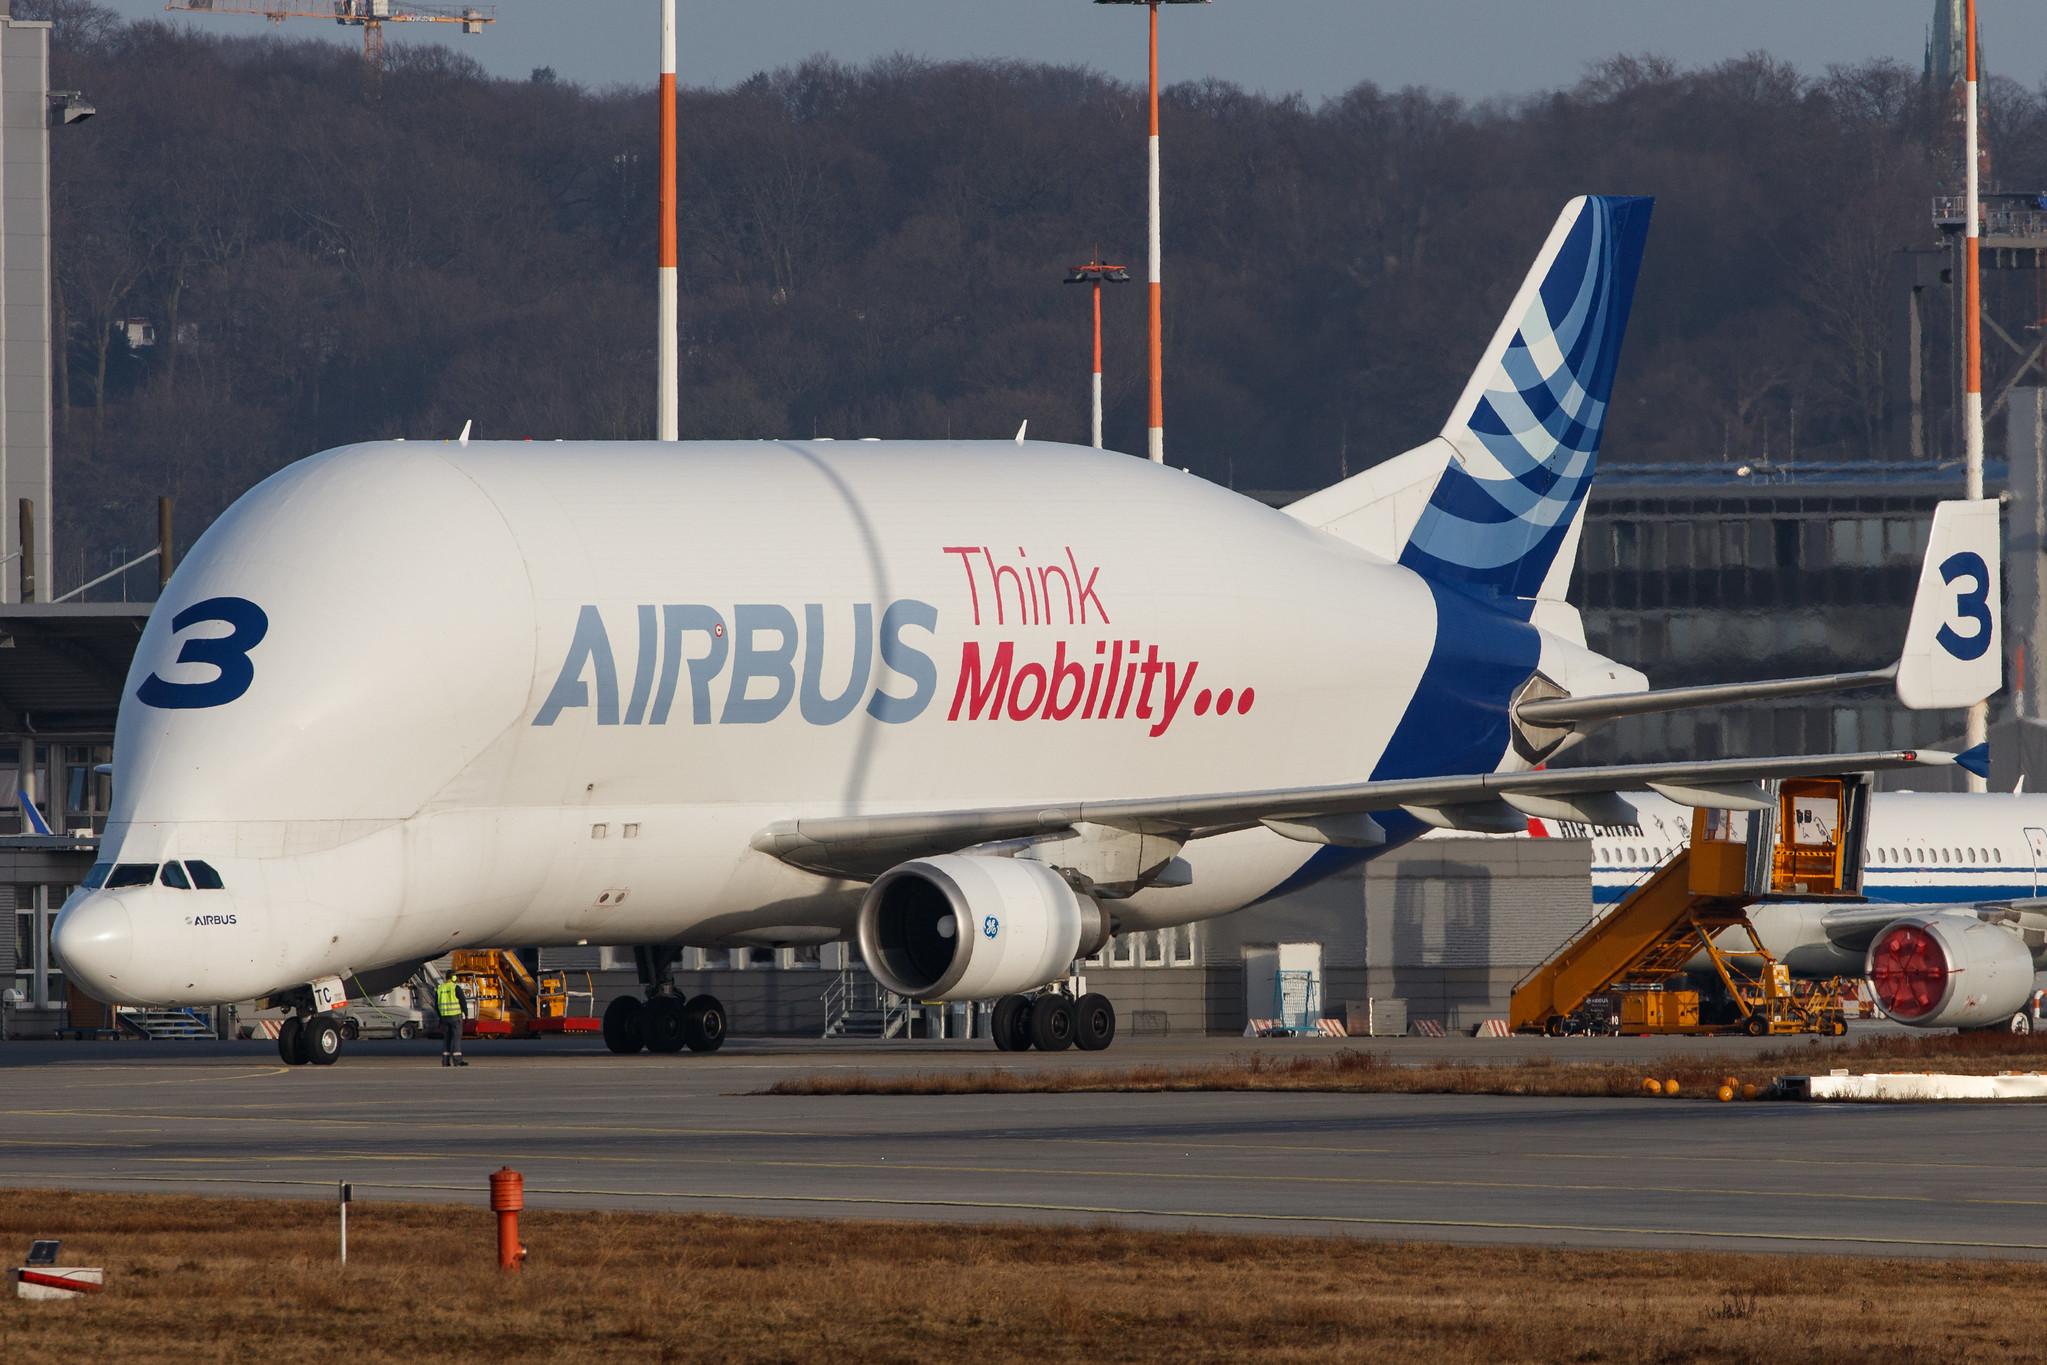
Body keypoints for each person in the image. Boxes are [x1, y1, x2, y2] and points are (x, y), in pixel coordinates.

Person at [438, 977, 468, 1066]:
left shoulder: (440, 988)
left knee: (447, 1038)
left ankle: (445, 1061)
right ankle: (457, 1060)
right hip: (455, 1017)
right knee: (456, 1038)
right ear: (453, 977)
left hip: (444, 1017)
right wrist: (466, 1013)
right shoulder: (455, 987)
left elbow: (436, 1004)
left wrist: (440, 1016)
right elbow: (463, 1001)